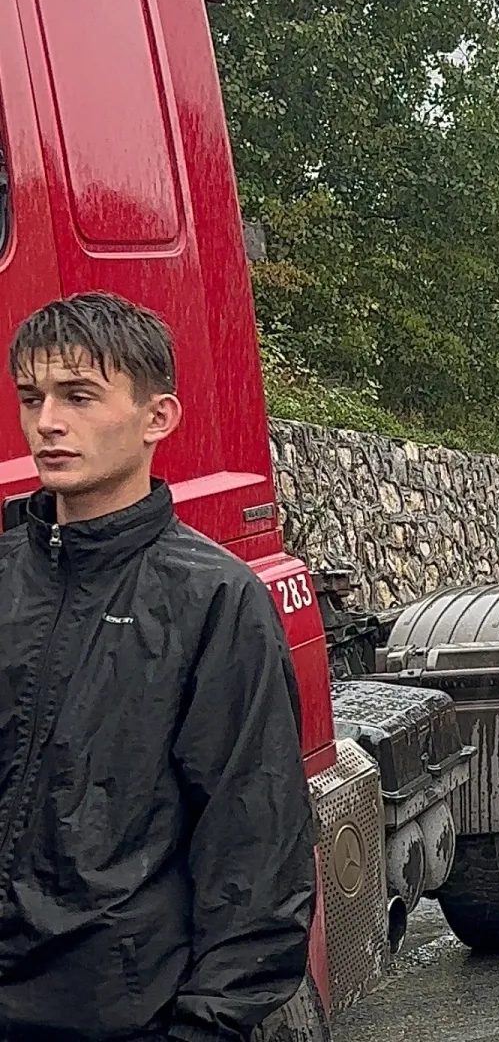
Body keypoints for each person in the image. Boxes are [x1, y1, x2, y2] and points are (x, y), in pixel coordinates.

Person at [0, 293, 314, 1040]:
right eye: (32, 398)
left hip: (122, 1016)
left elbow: (254, 841)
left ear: (157, 417)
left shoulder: (213, 600)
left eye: (79, 396)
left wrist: (207, 1026)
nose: (47, 422)